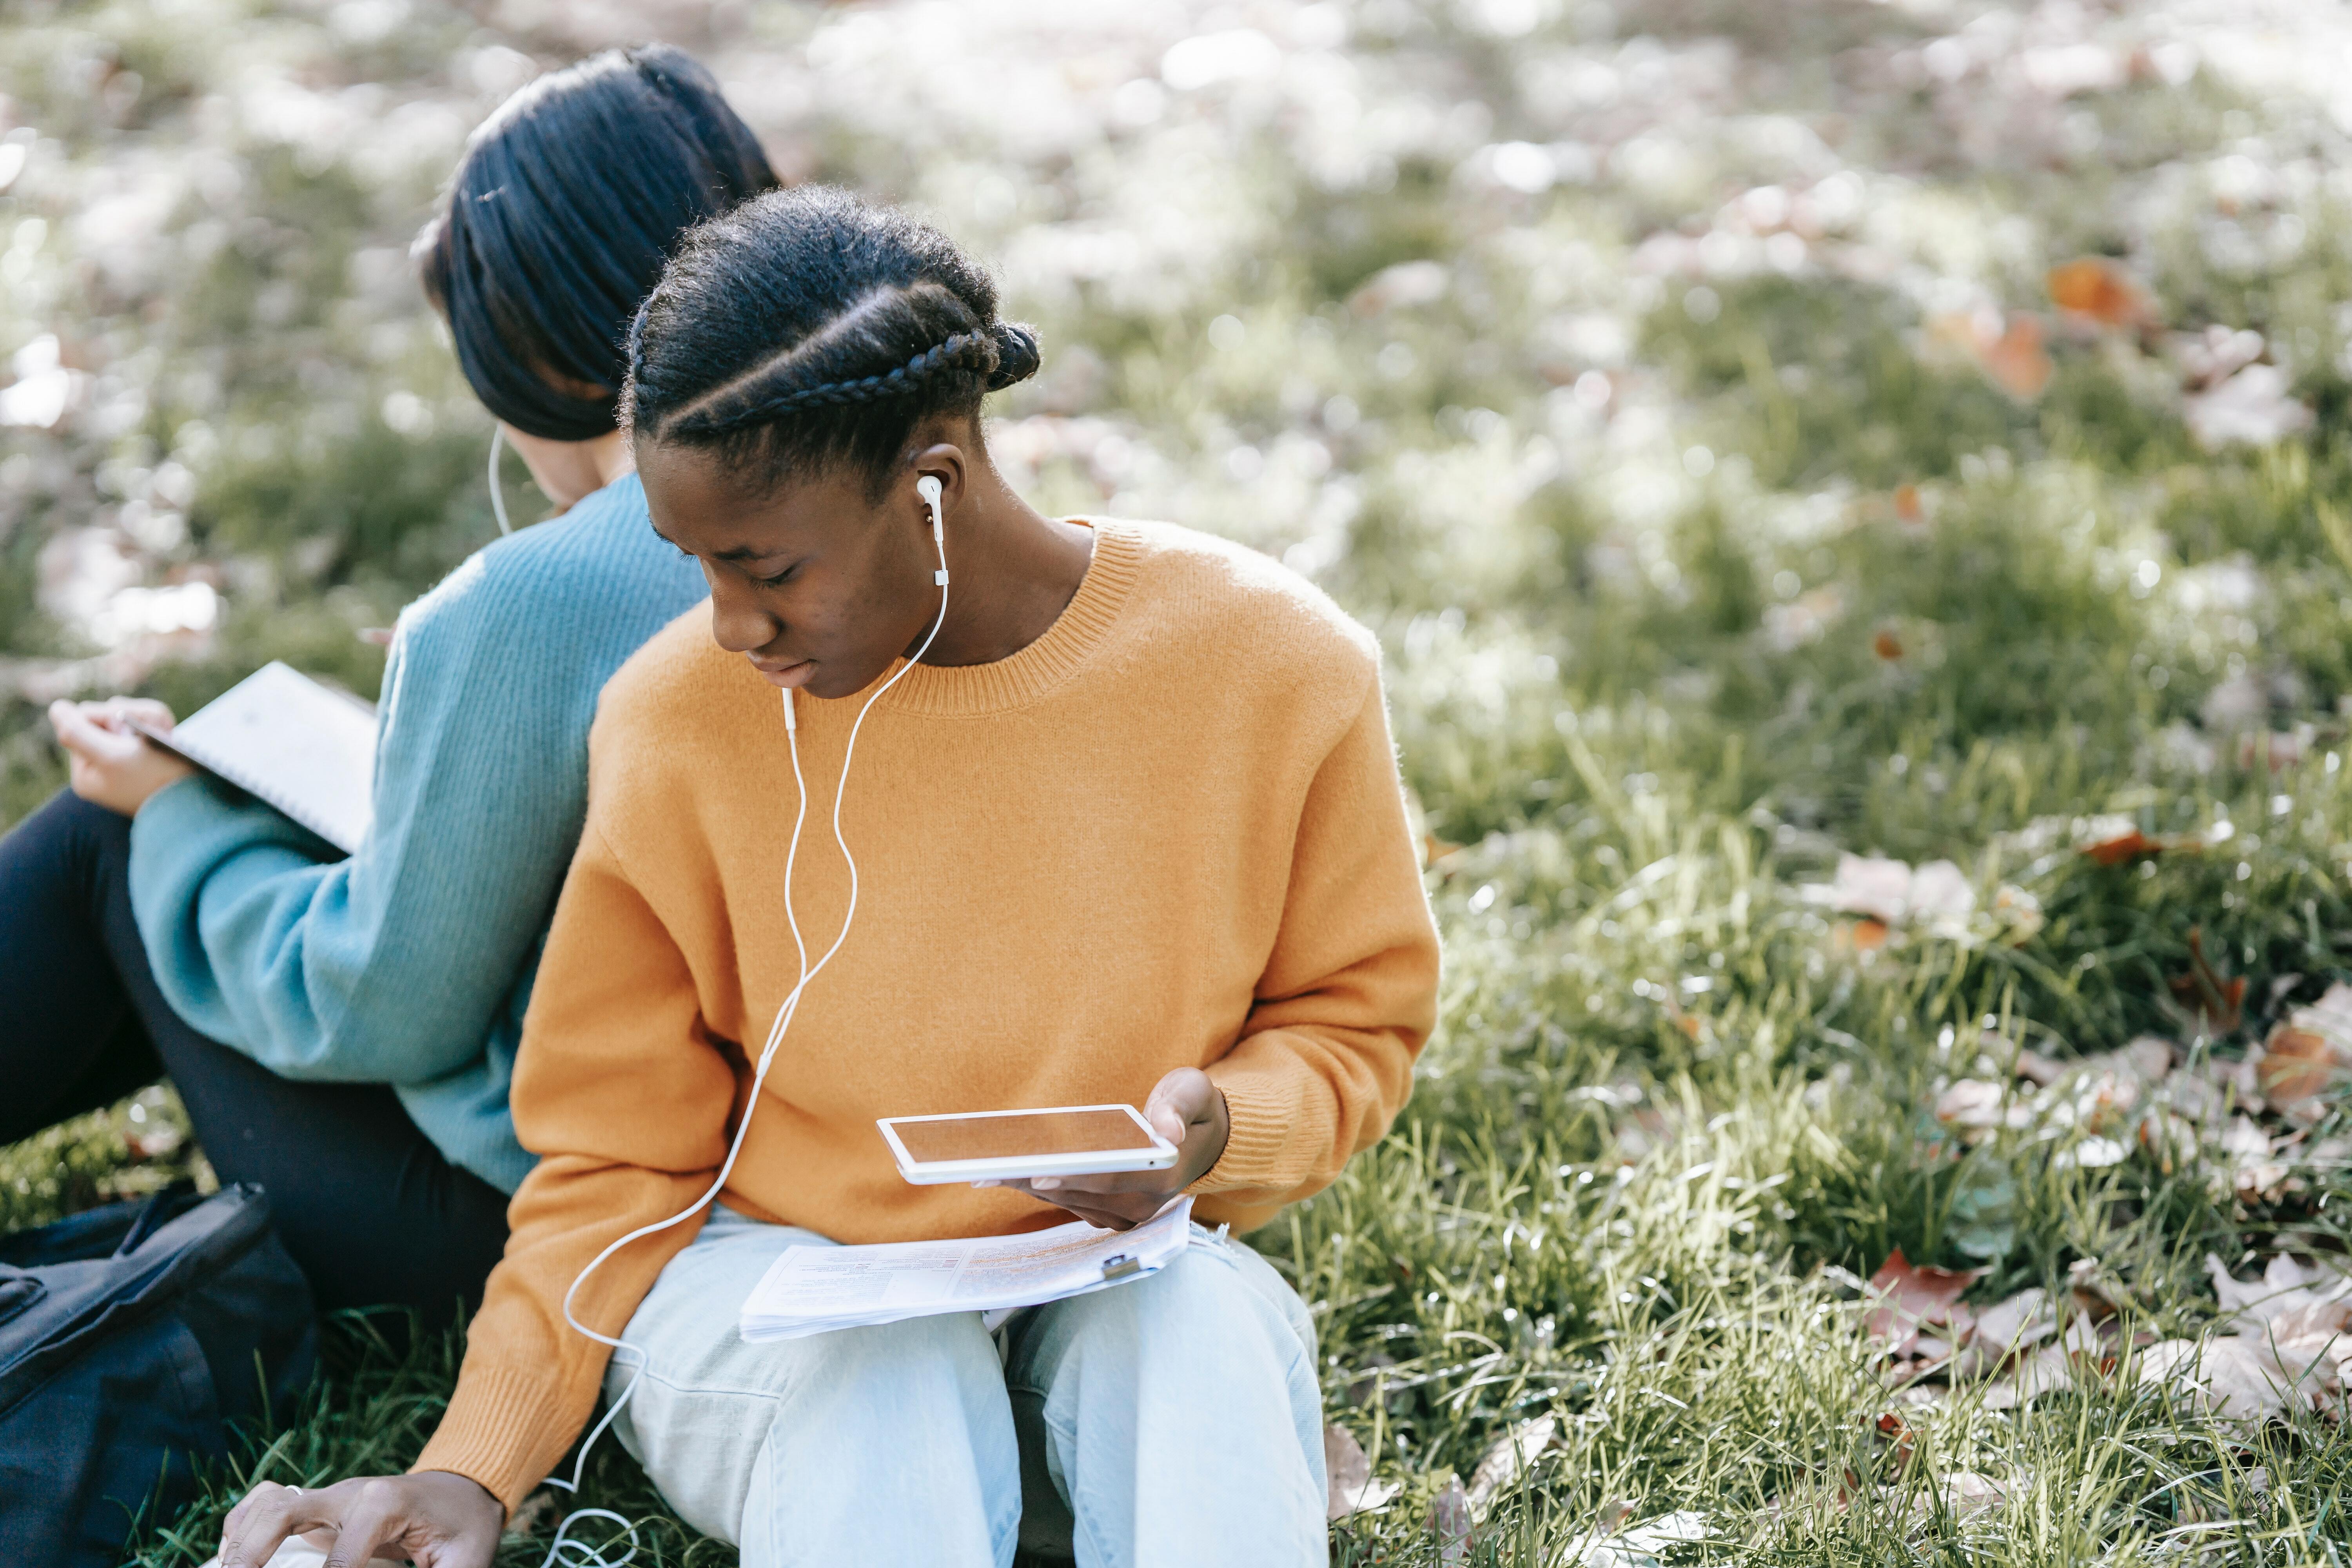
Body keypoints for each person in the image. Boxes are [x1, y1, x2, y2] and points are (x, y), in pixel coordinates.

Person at [211, 187, 1442, 1568]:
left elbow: (1355, 1019)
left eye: (765, 568)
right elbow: (617, 1158)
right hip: (783, 1304)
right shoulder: (673, 718)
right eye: (698, 570)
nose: (731, 626)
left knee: (1195, 1331)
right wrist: (474, 1466)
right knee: (890, 1372)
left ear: (931, 489)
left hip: (1118, 1278)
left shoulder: (1275, 665)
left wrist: (1224, 1133)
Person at [0, 46, 770, 1319]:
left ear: (534, 353)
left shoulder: (536, 599)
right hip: (814, 1185)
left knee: (106, 850)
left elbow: (379, 1006)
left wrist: (180, 817)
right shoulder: (890, 504)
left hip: (546, 1228)